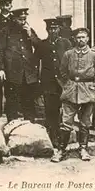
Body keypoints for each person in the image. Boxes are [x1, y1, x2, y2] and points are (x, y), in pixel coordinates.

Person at [51, 28, 95, 162]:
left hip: (88, 91)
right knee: (66, 123)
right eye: (78, 37)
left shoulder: (94, 55)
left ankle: (83, 149)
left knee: (85, 123)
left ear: (88, 39)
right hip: (70, 92)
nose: (81, 40)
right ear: (75, 39)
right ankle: (61, 150)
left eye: (83, 37)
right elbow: (62, 72)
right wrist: (67, 86)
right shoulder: (68, 54)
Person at [0, 8, 41, 122]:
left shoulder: (29, 31)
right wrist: (0, 69)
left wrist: (30, 34)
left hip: (28, 73)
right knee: (12, 103)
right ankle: (13, 128)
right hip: (12, 73)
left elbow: (40, 46)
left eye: (24, 19)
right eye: (20, 19)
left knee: (28, 102)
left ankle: (29, 128)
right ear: (14, 19)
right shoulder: (5, 31)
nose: (23, 22)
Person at [38, 18, 72, 148]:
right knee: (51, 111)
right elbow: (36, 63)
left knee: (65, 112)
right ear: (47, 30)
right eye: (51, 29)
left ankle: (63, 138)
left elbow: (71, 61)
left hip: (64, 83)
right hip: (49, 83)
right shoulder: (43, 44)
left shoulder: (66, 43)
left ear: (59, 29)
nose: (53, 31)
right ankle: (53, 138)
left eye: (55, 28)